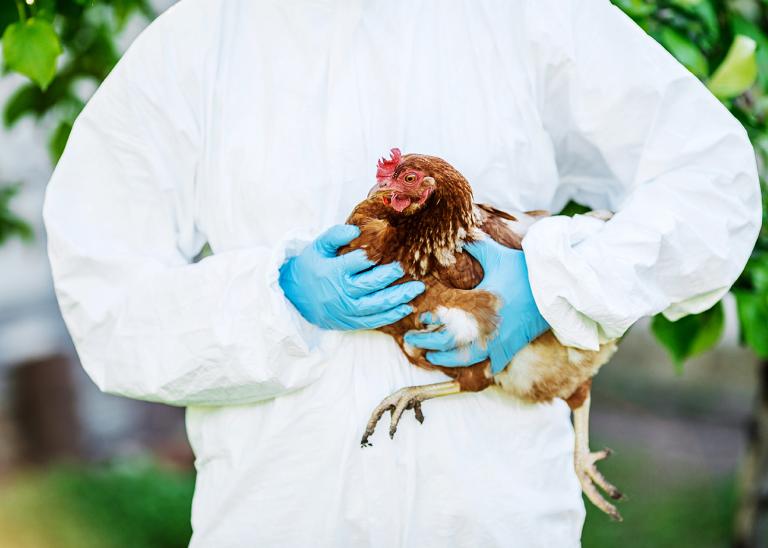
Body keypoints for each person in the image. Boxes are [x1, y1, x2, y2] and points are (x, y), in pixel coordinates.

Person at [43, 0, 760, 546]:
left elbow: (712, 181)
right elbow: (106, 301)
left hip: (495, 517)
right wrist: (274, 302)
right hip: (281, 516)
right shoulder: (201, 41)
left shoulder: (531, 18)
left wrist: (553, 287)